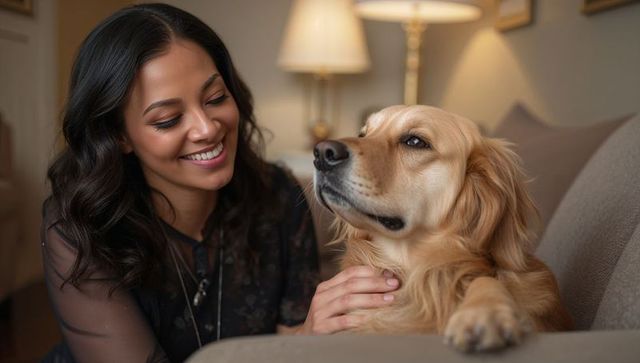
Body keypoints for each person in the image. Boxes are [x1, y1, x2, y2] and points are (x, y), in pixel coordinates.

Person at [41, 3, 400, 362]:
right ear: (119, 136)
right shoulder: (79, 227)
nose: (207, 128)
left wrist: (312, 332)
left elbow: (290, 338)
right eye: (167, 119)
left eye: (215, 98)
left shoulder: (279, 195)